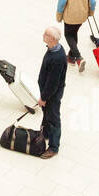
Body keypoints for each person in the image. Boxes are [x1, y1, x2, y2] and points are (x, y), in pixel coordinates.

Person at [55, 0, 96, 70]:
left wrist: (59, 15)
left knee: (68, 35)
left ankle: (78, 57)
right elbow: (93, 1)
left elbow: (62, 1)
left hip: (69, 15)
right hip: (82, 15)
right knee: (74, 33)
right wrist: (90, 12)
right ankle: (71, 57)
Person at [36, 27, 68, 159]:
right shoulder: (52, 49)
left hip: (52, 94)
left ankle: (54, 147)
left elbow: (53, 82)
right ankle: (46, 134)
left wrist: (44, 98)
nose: (43, 35)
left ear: (53, 39)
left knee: (54, 118)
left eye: (46, 34)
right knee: (47, 114)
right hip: (48, 91)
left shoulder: (58, 57)